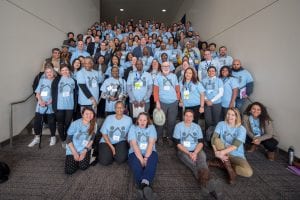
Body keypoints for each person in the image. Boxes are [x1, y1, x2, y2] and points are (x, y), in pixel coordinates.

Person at [173, 110, 221, 198]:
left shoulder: (197, 127)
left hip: (197, 150)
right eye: (186, 116)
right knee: (193, 165)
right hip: (183, 151)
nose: (188, 118)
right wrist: (189, 153)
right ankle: (212, 188)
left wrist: (195, 152)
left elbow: (201, 142)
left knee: (202, 163)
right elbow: (177, 143)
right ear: (183, 116)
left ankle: (205, 186)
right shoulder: (178, 126)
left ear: (193, 118)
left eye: (190, 116)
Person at [210, 108, 253, 184]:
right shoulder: (221, 124)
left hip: (236, 155)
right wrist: (216, 152)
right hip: (222, 150)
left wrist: (220, 153)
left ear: (237, 117)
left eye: (233, 115)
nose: (230, 116)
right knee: (217, 140)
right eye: (228, 114)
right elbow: (213, 139)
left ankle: (223, 164)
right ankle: (230, 171)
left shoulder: (241, 129)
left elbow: (235, 146)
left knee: (248, 172)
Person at [128, 112, 158, 200]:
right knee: (136, 165)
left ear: (148, 121)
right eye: (140, 119)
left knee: (152, 162)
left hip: (150, 152)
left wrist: (146, 158)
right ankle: (146, 187)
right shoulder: (133, 128)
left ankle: (141, 188)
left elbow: (151, 143)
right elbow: (134, 144)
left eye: (144, 120)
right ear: (137, 120)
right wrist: (141, 160)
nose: (142, 122)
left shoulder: (152, 127)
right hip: (135, 152)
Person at [28, 66, 57, 147]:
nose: (49, 73)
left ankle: (53, 137)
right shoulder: (42, 80)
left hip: (50, 104)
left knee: (51, 121)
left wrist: (51, 101)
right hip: (40, 104)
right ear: (45, 73)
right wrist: (40, 101)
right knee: (37, 121)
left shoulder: (56, 81)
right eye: (47, 72)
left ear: (53, 72)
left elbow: (57, 94)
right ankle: (37, 138)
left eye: (50, 72)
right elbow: (37, 93)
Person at [153, 62, 180, 146]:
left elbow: (177, 88)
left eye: (167, 66)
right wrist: (157, 102)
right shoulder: (158, 77)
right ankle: (159, 137)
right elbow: (155, 91)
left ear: (170, 67)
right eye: (164, 66)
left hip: (173, 103)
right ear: (161, 67)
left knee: (171, 122)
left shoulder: (174, 76)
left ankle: (169, 138)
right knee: (160, 121)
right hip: (162, 103)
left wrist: (177, 99)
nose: (166, 67)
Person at [98, 101, 133, 165]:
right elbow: (104, 134)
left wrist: (132, 146)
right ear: (114, 109)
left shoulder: (129, 119)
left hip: (121, 141)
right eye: (117, 107)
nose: (119, 109)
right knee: (105, 161)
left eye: (121, 107)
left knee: (120, 159)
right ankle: (110, 153)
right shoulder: (109, 118)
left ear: (124, 108)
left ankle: (113, 153)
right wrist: (112, 147)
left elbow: (130, 134)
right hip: (107, 141)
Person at [51, 64, 77, 148]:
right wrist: (54, 106)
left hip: (70, 106)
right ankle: (63, 140)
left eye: (66, 70)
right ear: (60, 72)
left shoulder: (73, 80)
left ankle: (67, 138)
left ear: (69, 70)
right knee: (60, 124)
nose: (65, 71)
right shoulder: (56, 80)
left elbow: (75, 94)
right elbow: (53, 94)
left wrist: (75, 106)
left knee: (68, 123)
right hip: (59, 106)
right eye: (63, 70)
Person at [65, 107, 97, 174]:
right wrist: (75, 153)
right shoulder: (75, 124)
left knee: (83, 166)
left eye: (91, 113)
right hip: (73, 149)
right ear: (82, 115)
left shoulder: (94, 124)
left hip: (84, 148)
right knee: (69, 171)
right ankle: (76, 160)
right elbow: (68, 140)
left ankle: (90, 156)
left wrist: (85, 151)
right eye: (86, 114)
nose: (89, 115)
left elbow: (92, 139)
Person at [202, 66, 224, 141]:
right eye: (209, 71)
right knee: (207, 120)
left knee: (216, 120)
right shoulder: (203, 80)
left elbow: (221, 93)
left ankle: (215, 138)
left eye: (213, 71)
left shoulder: (219, 80)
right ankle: (207, 137)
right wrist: (206, 100)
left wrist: (212, 101)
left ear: (215, 72)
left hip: (217, 103)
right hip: (206, 103)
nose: (211, 72)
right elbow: (202, 92)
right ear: (207, 72)